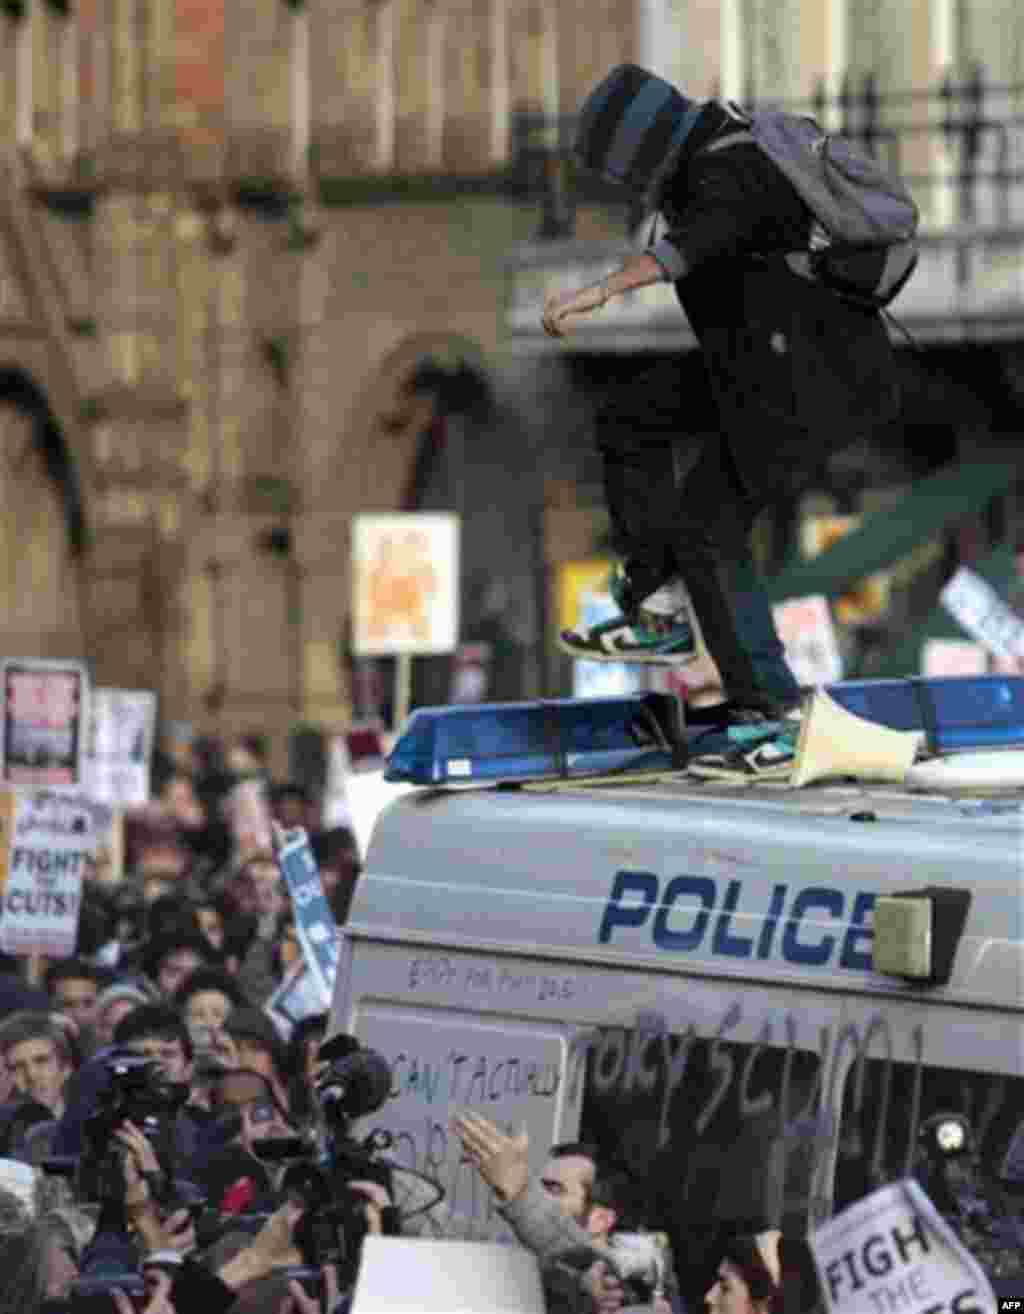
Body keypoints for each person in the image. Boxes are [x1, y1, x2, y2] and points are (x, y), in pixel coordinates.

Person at [547, 65, 900, 756]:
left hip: (808, 386)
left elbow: (694, 246)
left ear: (644, 151)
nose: (628, 190)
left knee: (709, 524)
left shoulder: (729, 173)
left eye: (623, 174)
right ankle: (657, 606)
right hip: (754, 369)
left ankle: (771, 711)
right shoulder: (712, 152)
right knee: (629, 414)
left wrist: (602, 290)